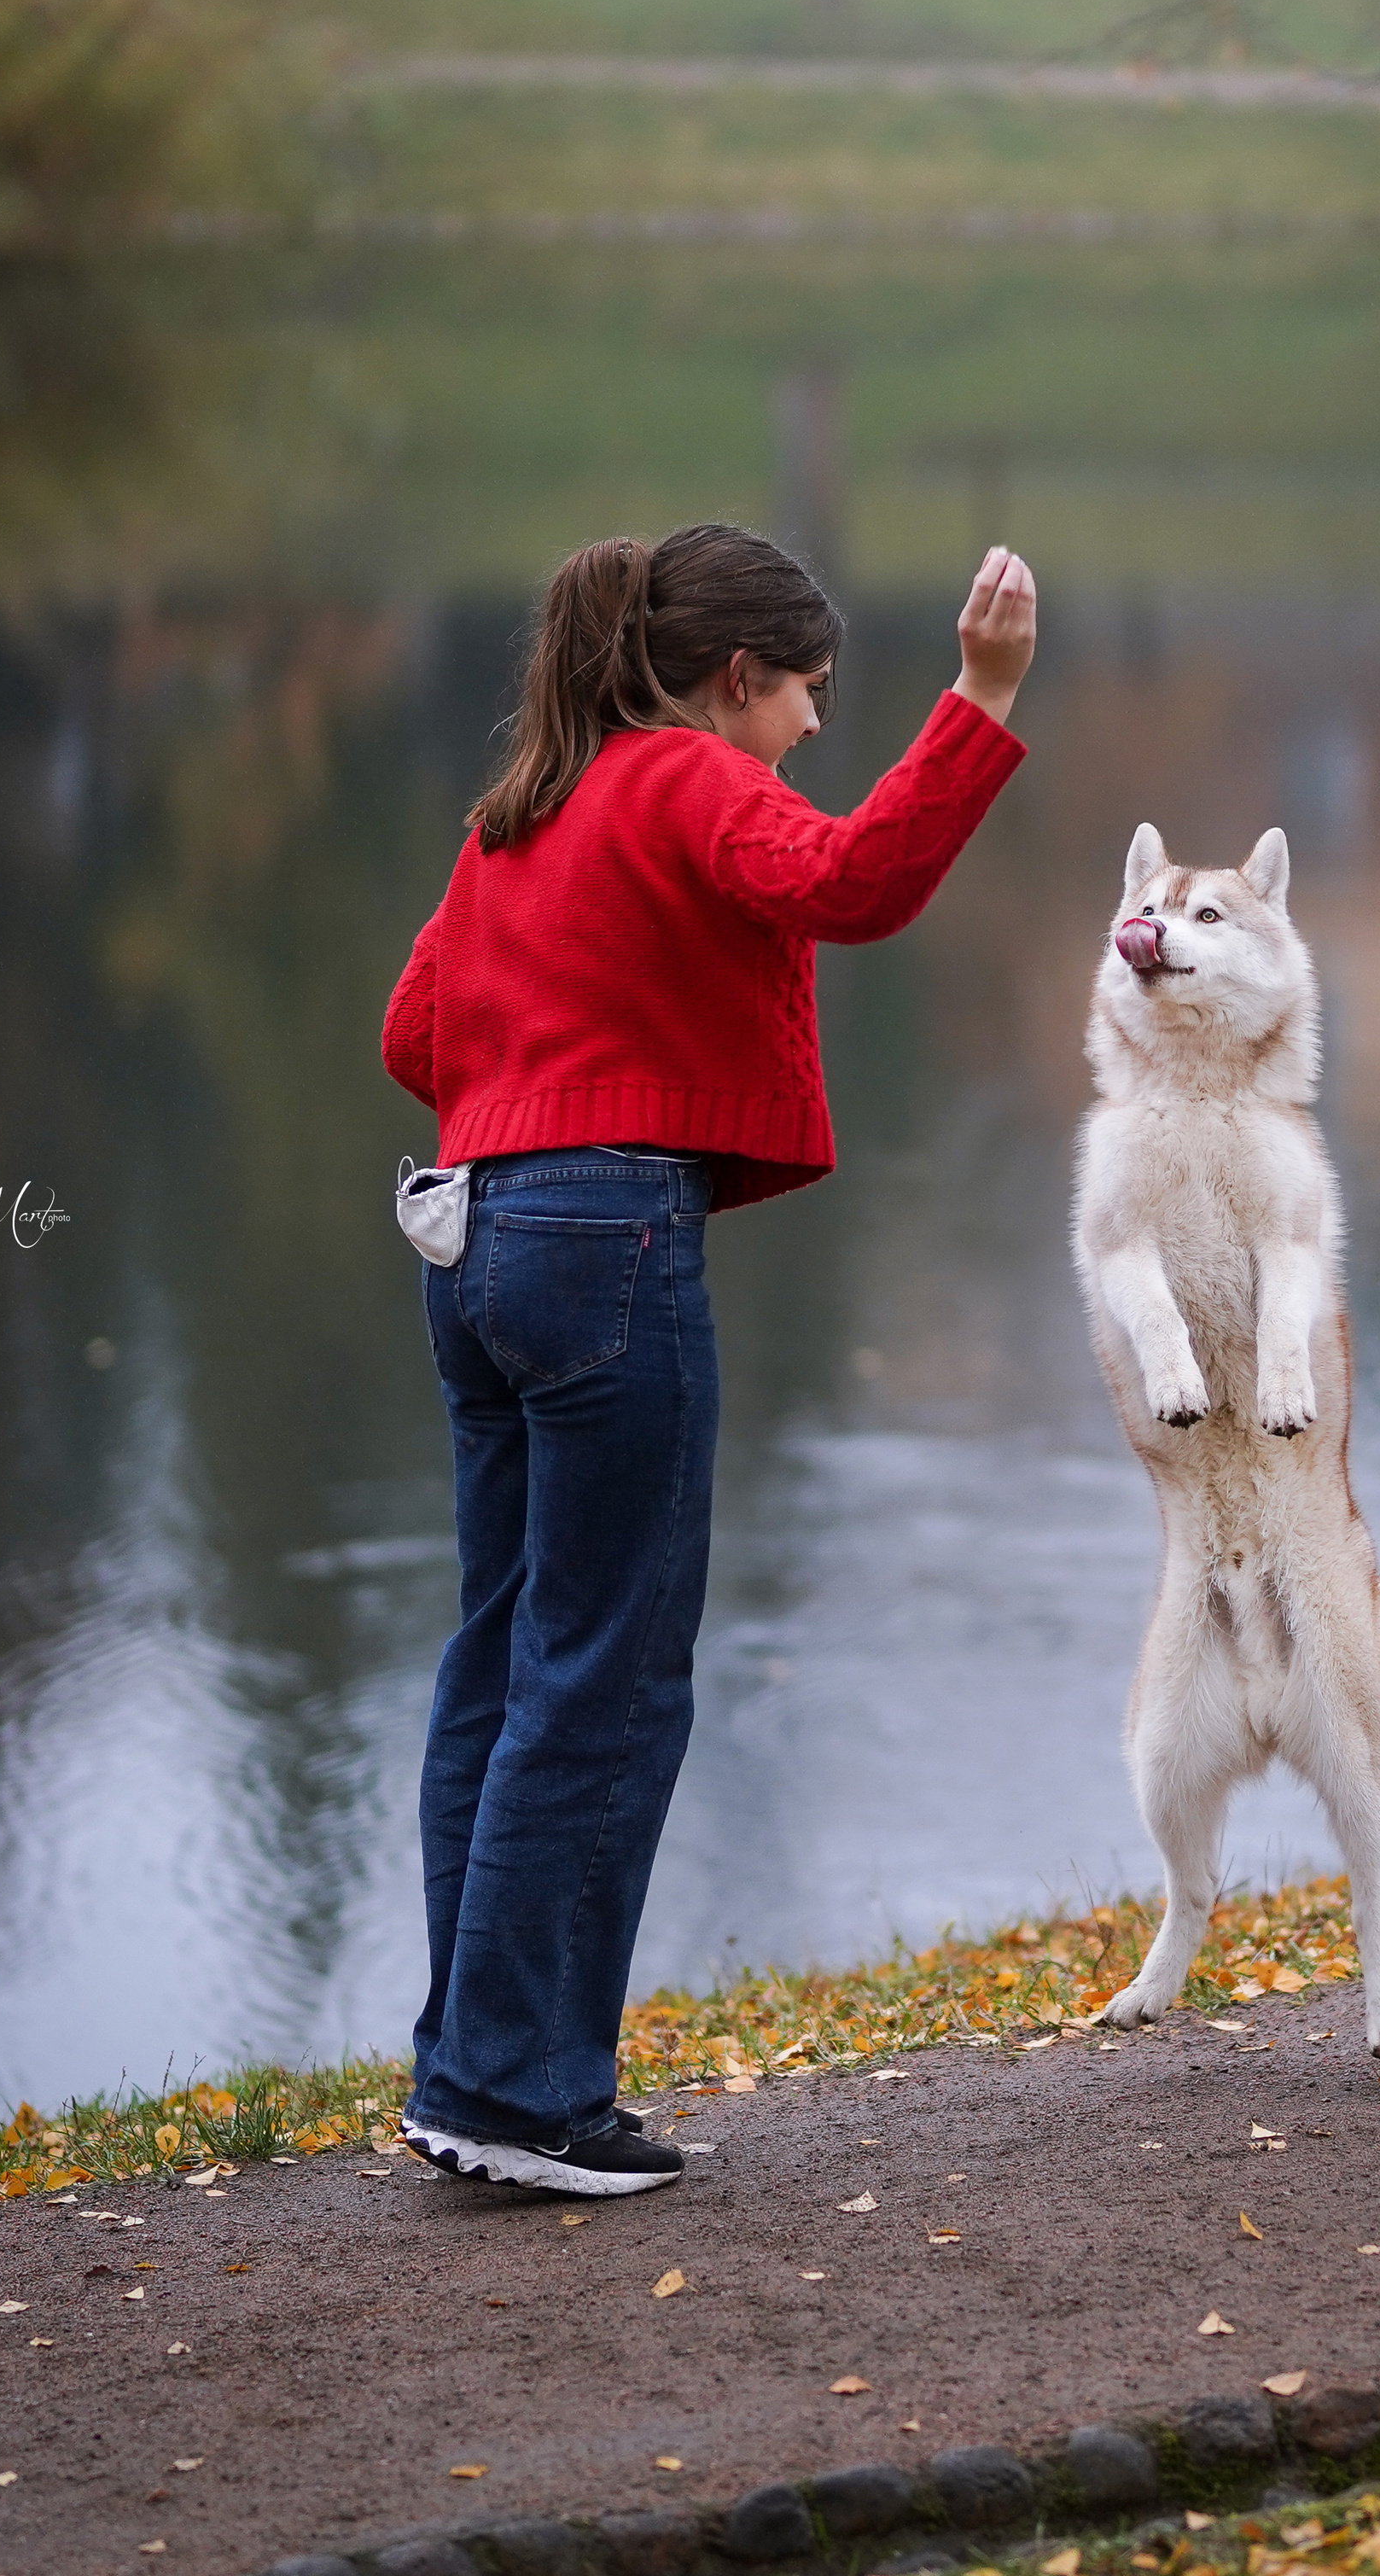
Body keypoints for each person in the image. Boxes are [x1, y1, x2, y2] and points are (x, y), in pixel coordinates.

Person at [380, 524, 1037, 2194]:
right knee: (603, 1671)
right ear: (735, 677)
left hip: (471, 1247)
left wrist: (552, 1052)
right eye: (810, 695)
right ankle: (520, 2090)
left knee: (500, 1662)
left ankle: (468, 2063)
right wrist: (977, 700)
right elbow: (849, 884)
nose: (816, 729)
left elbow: (411, 1036)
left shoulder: (516, 811)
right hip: (605, 1241)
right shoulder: (679, 776)